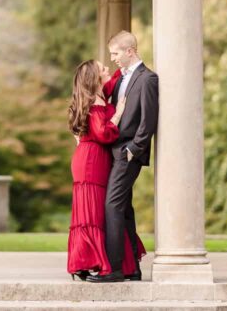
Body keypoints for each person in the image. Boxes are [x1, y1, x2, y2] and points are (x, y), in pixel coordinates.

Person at [86, 31, 159, 284]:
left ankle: (114, 269)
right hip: (114, 152)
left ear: (130, 51)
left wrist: (133, 150)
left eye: (115, 53)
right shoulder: (120, 80)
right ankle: (132, 269)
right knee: (124, 209)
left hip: (128, 154)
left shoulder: (148, 79)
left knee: (112, 206)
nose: (113, 59)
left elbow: (148, 121)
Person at [66, 60, 146, 281]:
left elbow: (117, 78)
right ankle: (92, 261)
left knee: (94, 212)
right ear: (94, 77)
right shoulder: (95, 100)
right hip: (92, 161)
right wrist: (118, 113)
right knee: (96, 212)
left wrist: (128, 61)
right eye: (102, 69)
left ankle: (85, 261)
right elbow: (103, 133)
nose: (107, 69)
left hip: (87, 157)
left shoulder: (96, 94)